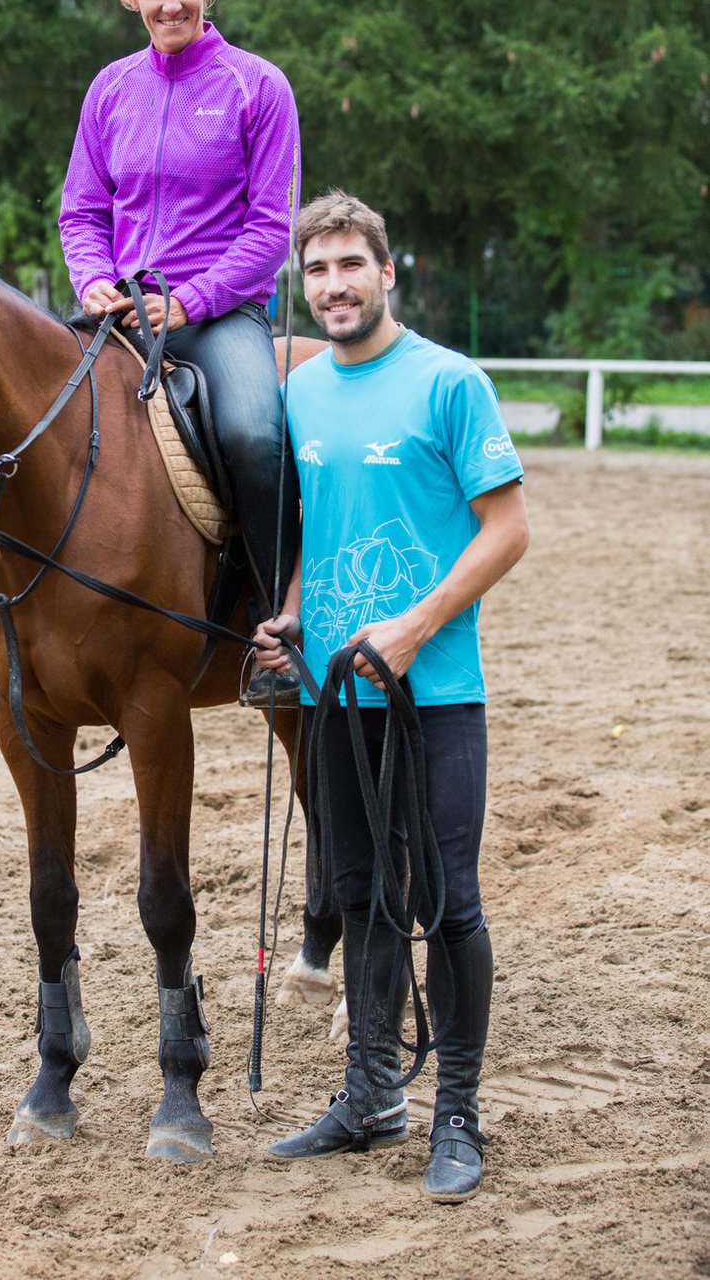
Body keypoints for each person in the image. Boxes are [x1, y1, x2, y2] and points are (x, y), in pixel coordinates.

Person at [254, 191, 529, 1201]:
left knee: (449, 903)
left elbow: (507, 530)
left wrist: (413, 629)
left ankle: (457, 1110)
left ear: (386, 272)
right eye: (317, 271)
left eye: (349, 267)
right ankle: (370, 1096)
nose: (333, 286)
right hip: (332, 698)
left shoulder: (451, 384)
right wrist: (288, 619)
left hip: (438, 694)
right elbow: (315, 530)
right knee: (360, 896)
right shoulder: (302, 395)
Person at [0, 0, 301, 707]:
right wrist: (91, 282)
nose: (171, 2)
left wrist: (192, 300)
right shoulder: (111, 89)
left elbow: (270, 228)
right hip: (114, 311)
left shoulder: (258, 85)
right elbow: (80, 211)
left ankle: (279, 634)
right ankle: (10, 631)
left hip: (217, 313)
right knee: (16, 423)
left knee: (254, 433)